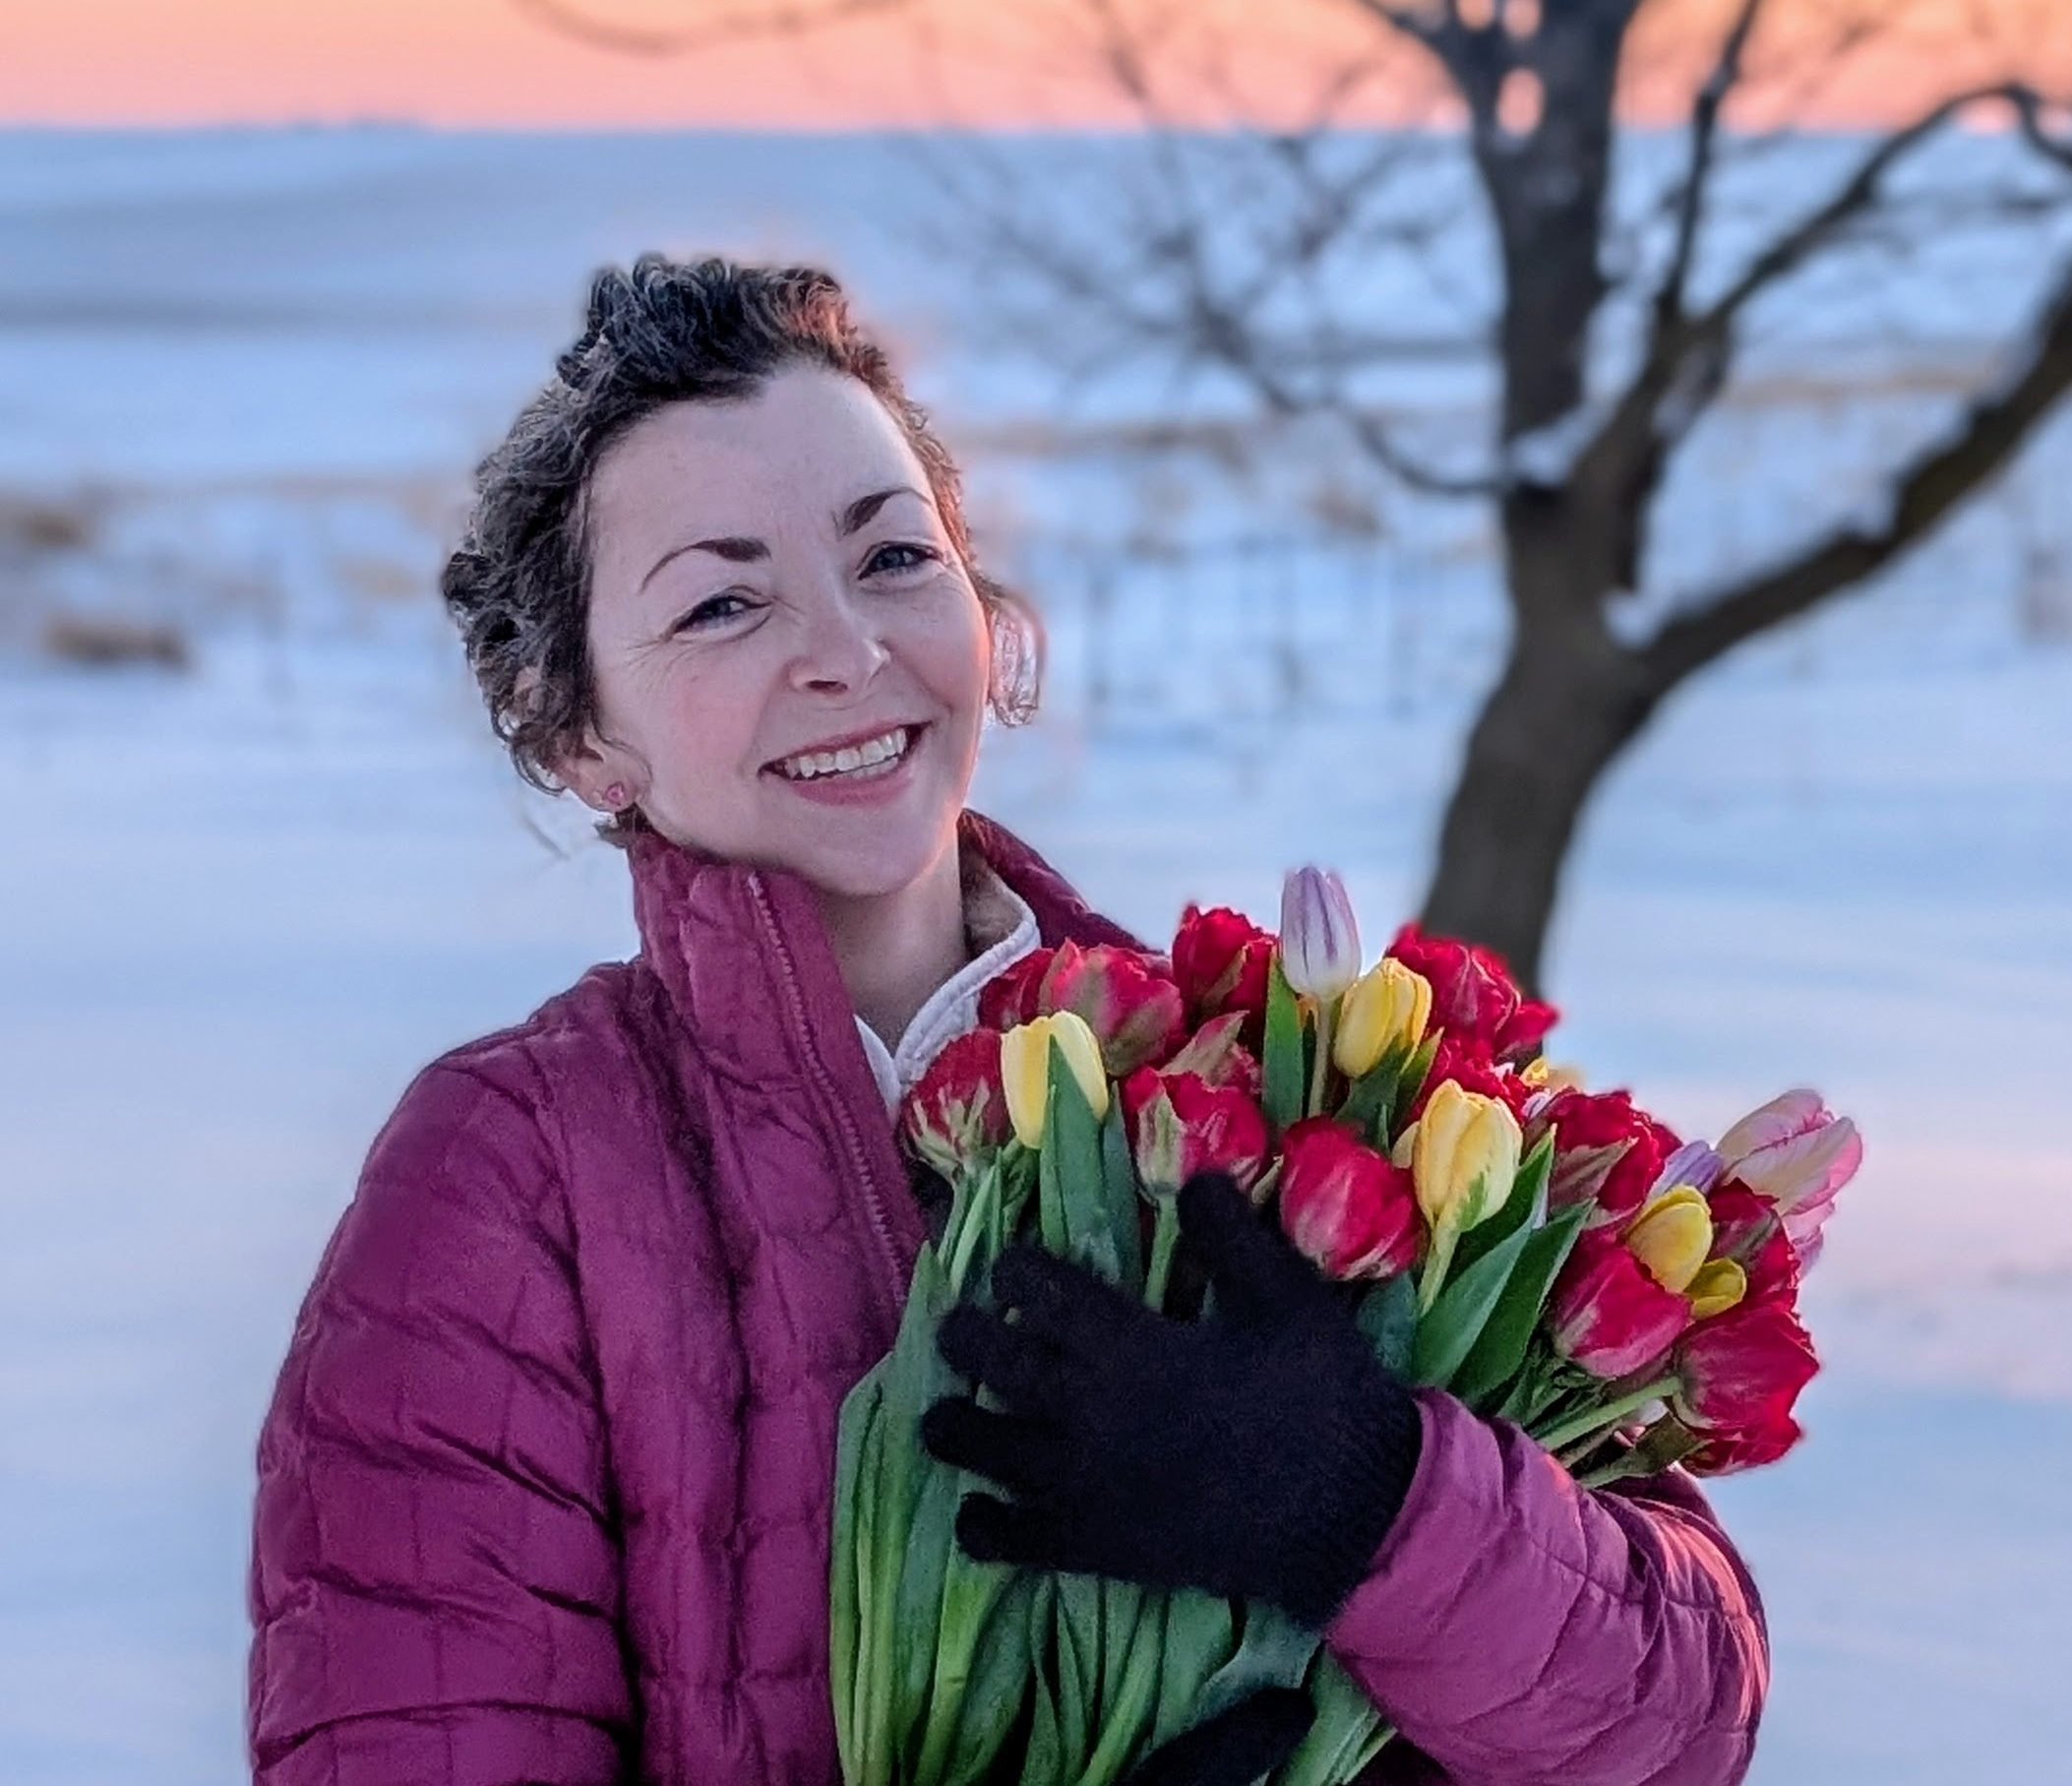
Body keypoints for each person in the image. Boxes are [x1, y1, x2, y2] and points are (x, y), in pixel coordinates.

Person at [246, 255, 1769, 1786]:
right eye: (722, 601)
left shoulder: (1258, 1079)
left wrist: (1365, 1496)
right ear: (583, 737)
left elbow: (1684, 1725)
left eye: (893, 557)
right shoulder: (511, 1180)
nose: (846, 651)